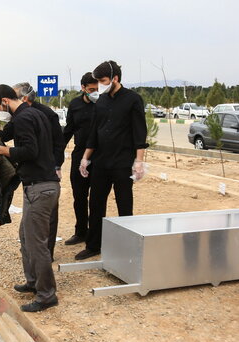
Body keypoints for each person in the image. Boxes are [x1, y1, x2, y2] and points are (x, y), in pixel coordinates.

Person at [0, 84, 60, 312]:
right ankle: (33, 282)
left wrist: (0, 150)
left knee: (37, 243)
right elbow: (9, 132)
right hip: (36, 186)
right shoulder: (29, 114)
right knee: (26, 236)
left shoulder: (25, 118)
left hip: (41, 187)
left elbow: (30, 151)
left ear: (5, 101)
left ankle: (47, 295)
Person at [76, 60, 148, 260]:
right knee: (96, 203)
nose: (100, 85)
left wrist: (139, 161)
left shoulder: (133, 100)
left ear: (115, 78)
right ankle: (93, 245)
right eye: (97, 82)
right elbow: (94, 132)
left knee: (124, 204)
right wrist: (85, 158)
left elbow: (139, 132)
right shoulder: (102, 101)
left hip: (123, 163)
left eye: (103, 81)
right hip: (101, 162)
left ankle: (128, 247)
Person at [12, 82, 66, 260]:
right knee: (33, 215)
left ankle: (46, 252)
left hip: (47, 169)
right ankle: (33, 254)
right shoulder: (19, 114)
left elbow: (58, 142)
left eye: (14, 97)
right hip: (31, 170)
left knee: (49, 214)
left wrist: (56, 166)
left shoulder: (46, 114)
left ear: (24, 98)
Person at [62, 72, 98, 245]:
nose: (95, 93)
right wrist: (56, 152)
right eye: (91, 89)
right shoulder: (75, 104)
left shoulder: (103, 103)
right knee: (79, 196)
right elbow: (68, 130)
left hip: (99, 155)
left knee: (97, 198)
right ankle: (81, 232)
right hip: (79, 154)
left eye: (98, 89)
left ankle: (95, 234)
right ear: (83, 88)